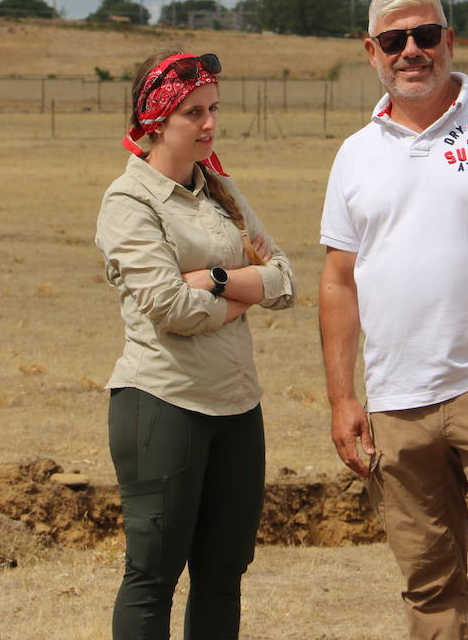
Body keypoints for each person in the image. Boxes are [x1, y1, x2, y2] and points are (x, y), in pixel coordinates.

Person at [319, 0, 468, 639]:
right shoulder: (356, 155)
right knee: (429, 588)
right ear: (372, 51)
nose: (412, 51)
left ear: (450, 40)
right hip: (397, 405)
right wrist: (344, 399)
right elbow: (339, 281)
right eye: (394, 41)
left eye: (426, 35)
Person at [95, 50, 296, 639]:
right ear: (156, 119)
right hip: (163, 401)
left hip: (238, 406)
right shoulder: (129, 201)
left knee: (224, 572)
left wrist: (212, 280)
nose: (209, 124)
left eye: (213, 109)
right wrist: (245, 293)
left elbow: (285, 279)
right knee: (153, 574)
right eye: (192, 113)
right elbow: (171, 310)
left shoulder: (221, 191)